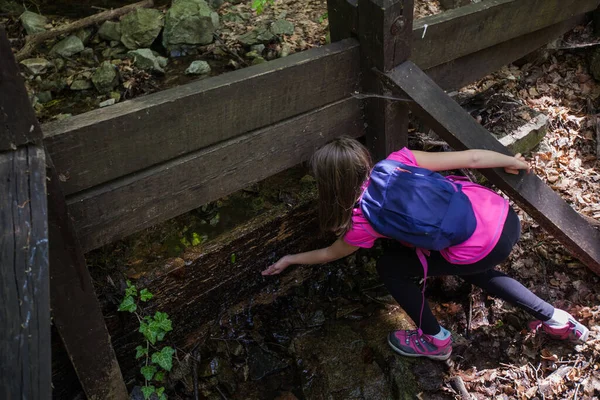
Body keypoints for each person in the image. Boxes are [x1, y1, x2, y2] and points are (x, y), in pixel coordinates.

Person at [261, 137, 589, 361]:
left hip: (478, 247)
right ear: (362, 159)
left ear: (332, 186)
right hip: (501, 217)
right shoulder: (397, 162)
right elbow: (472, 158)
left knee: (391, 268)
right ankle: (557, 318)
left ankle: (434, 340)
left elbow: (330, 253)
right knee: (479, 273)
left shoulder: (362, 221)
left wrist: (290, 258)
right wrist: (511, 160)